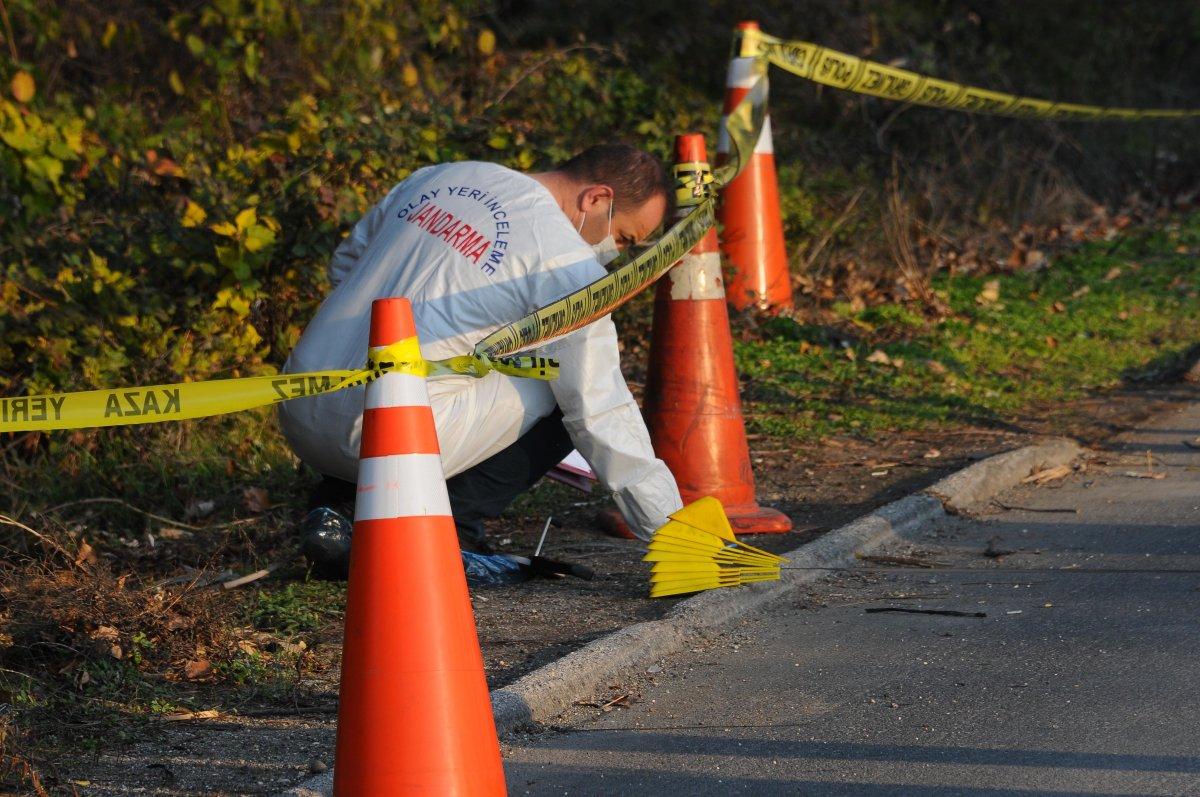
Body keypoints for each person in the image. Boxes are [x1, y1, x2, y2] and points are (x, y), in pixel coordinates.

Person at [278, 144, 684, 578]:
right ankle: (450, 527)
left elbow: (345, 264)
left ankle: (339, 505)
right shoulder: (567, 262)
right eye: (622, 236)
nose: (615, 252)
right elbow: (600, 407)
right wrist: (669, 529)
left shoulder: (443, 176)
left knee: (500, 360)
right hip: (383, 442)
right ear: (597, 198)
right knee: (561, 378)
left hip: (299, 409)